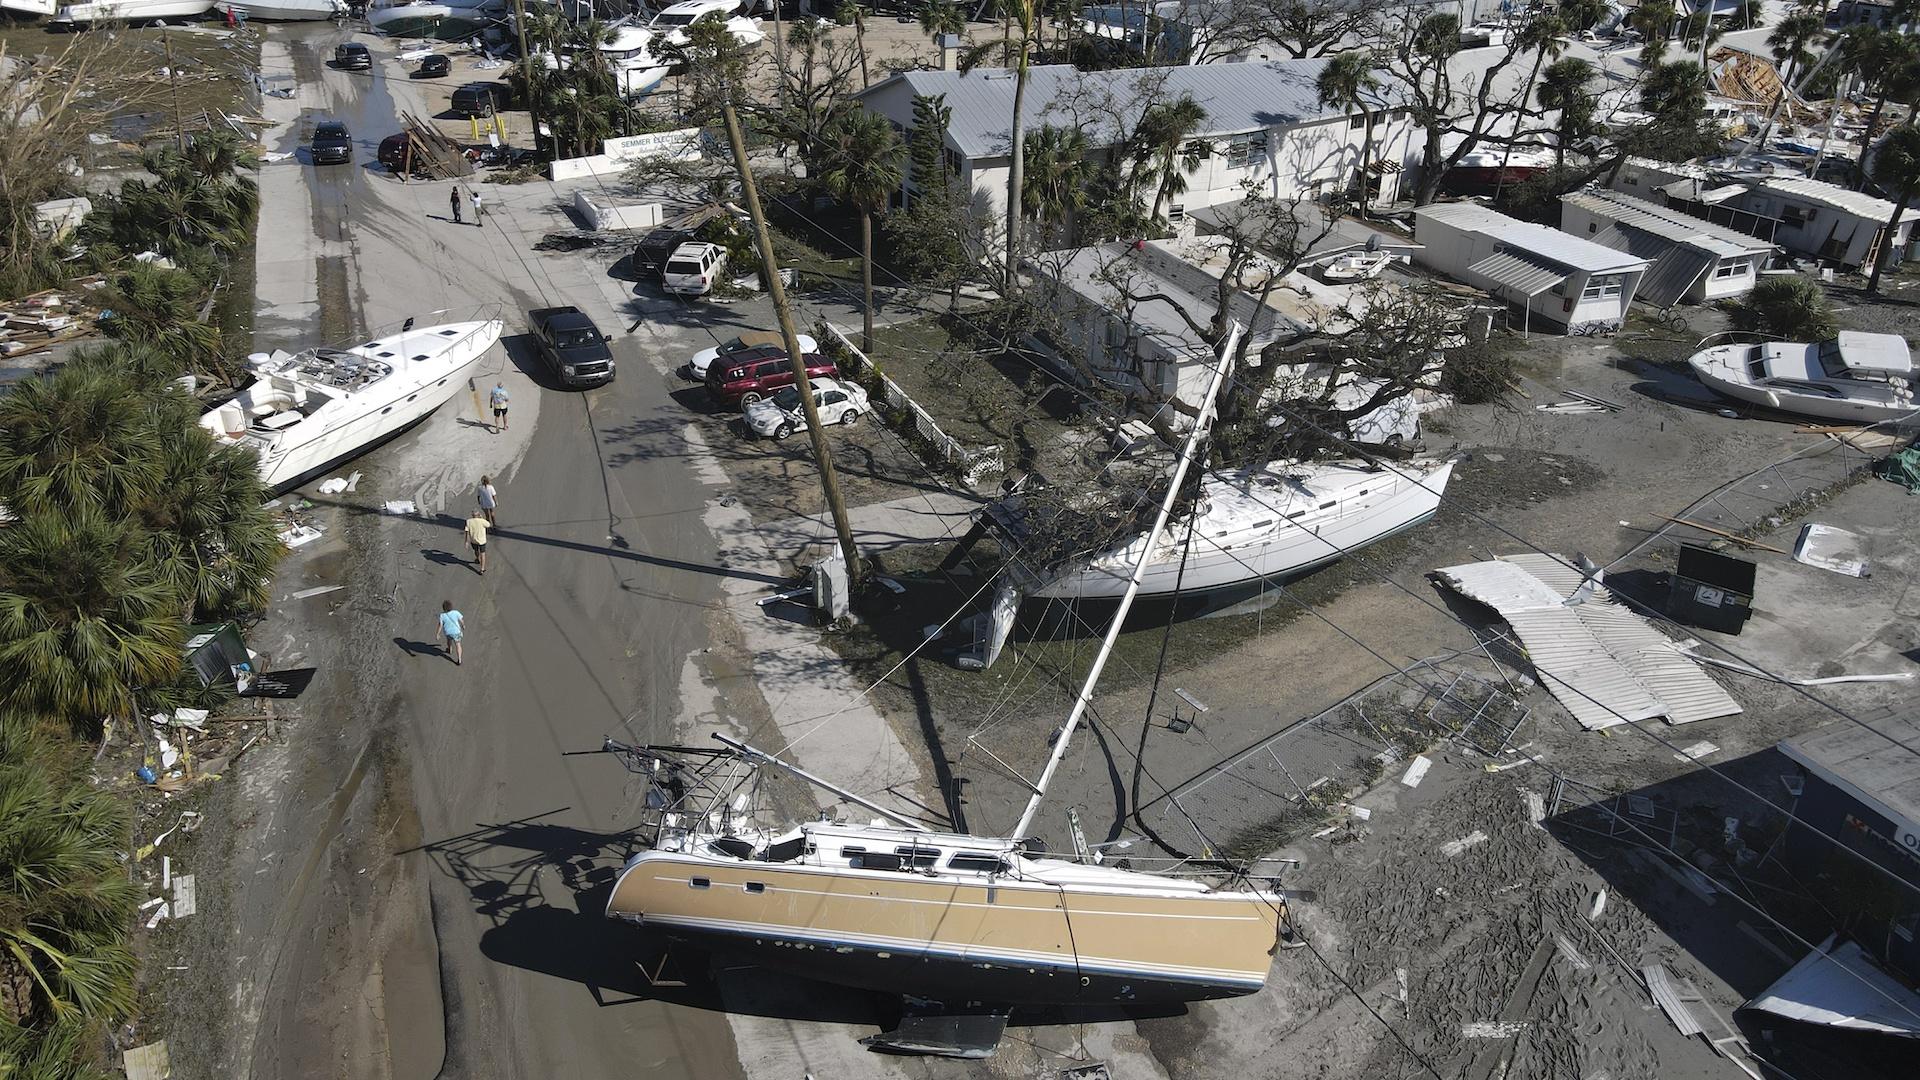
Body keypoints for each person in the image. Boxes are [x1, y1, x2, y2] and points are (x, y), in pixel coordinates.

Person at [438, 601, 464, 665]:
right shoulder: (456, 612)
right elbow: (461, 620)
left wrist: (437, 634)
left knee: (449, 640)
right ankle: (459, 660)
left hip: (448, 632)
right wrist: (463, 625)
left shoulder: (442, 615)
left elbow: (440, 625)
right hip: (456, 632)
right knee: (458, 645)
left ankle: (450, 649)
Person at [465, 508, 490, 573]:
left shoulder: (469, 521)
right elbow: (488, 525)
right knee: (483, 554)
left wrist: (466, 541)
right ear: (479, 515)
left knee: (476, 550)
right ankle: (482, 569)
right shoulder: (482, 521)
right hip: (482, 541)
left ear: (472, 515)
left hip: (473, 540)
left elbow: (467, 531)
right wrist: (482, 518)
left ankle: (478, 559)